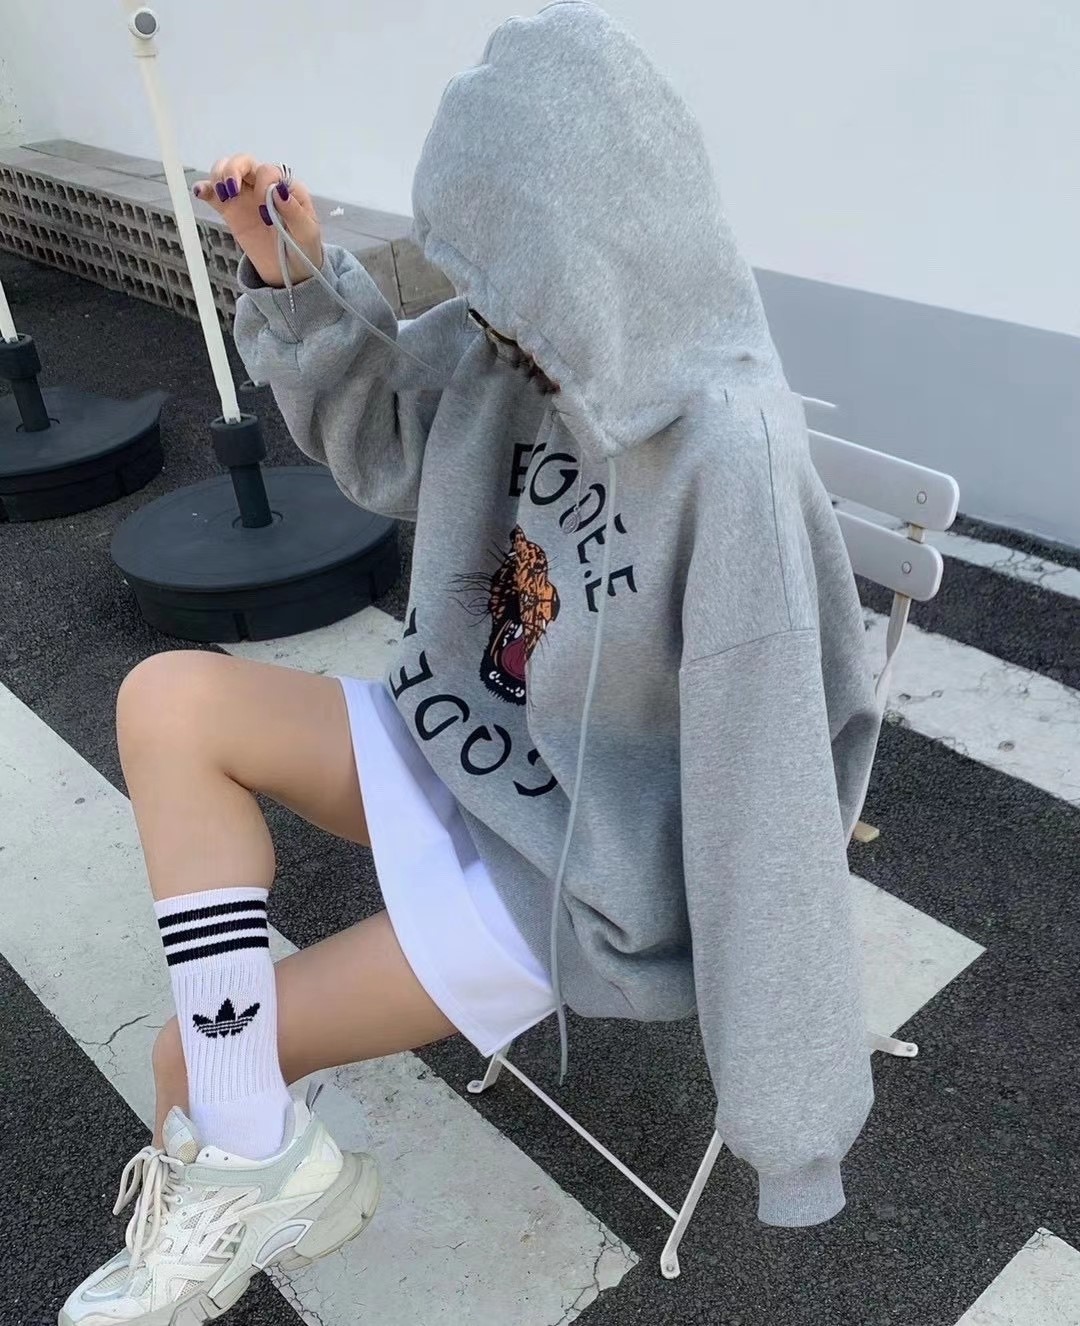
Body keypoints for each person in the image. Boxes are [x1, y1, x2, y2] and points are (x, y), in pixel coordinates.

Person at [61, 3, 882, 1323]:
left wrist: (795, 1128)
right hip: (453, 746)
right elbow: (386, 442)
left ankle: (239, 1182)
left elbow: (770, 797)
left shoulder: (733, 458)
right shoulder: (516, 342)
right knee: (169, 698)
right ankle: (259, 1171)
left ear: (589, 249)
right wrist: (291, 271)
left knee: (189, 1056)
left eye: (504, 283)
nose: (486, 321)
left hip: (578, 871)